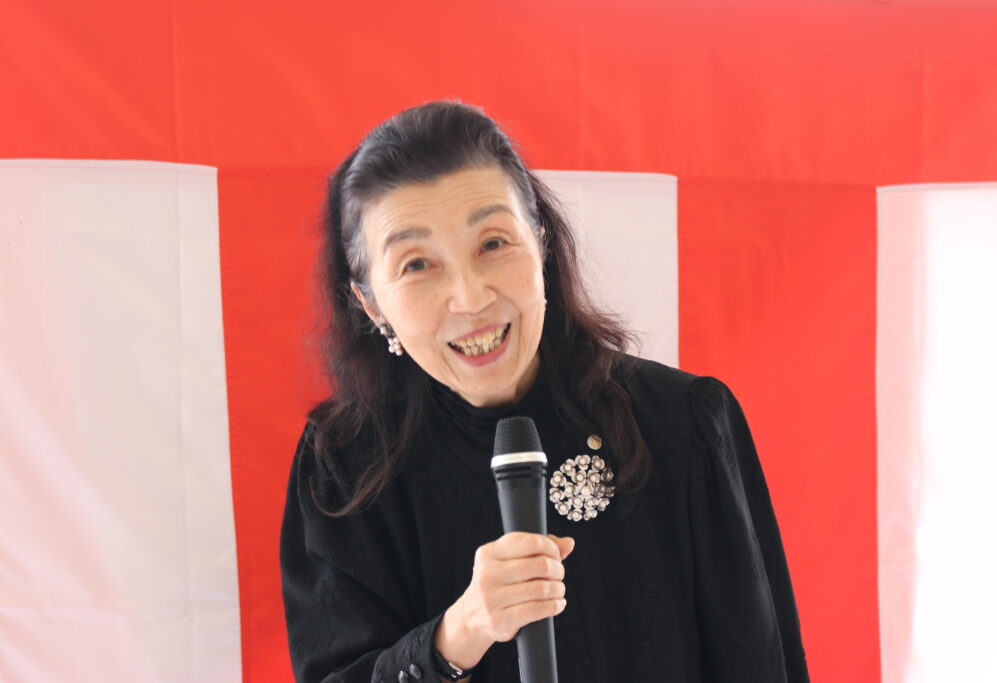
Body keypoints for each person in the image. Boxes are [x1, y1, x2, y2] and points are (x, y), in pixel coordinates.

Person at [279, 100, 810, 683]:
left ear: (541, 244)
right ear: (371, 304)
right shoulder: (341, 468)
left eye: (492, 244)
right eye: (417, 265)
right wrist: (459, 634)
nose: (471, 298)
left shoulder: (684, 421)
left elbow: (762, 663)